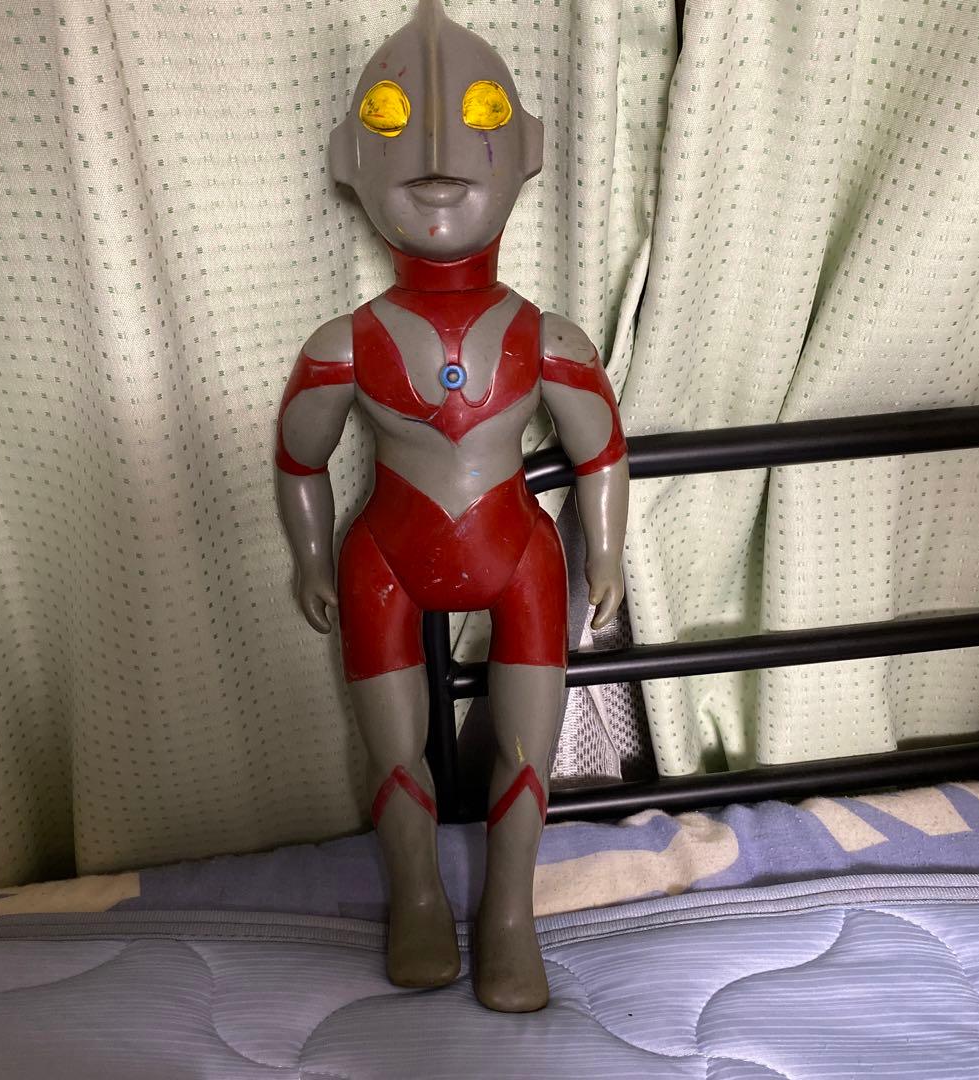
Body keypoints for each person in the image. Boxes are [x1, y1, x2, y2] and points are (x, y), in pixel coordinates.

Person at [276, 0, 628, 1013]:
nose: (434, 150)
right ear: (349, 158)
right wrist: (311, 558)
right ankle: (419, 899)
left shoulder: (549, 339)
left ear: (529, 151)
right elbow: (299, 461)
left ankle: (510, 916)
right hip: (385, 561)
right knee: (394, 753)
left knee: (526, 754)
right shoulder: (341, 346)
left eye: (480, 113)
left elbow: (602, 450)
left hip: (519, 560)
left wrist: (604, 552)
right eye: (390, 117)